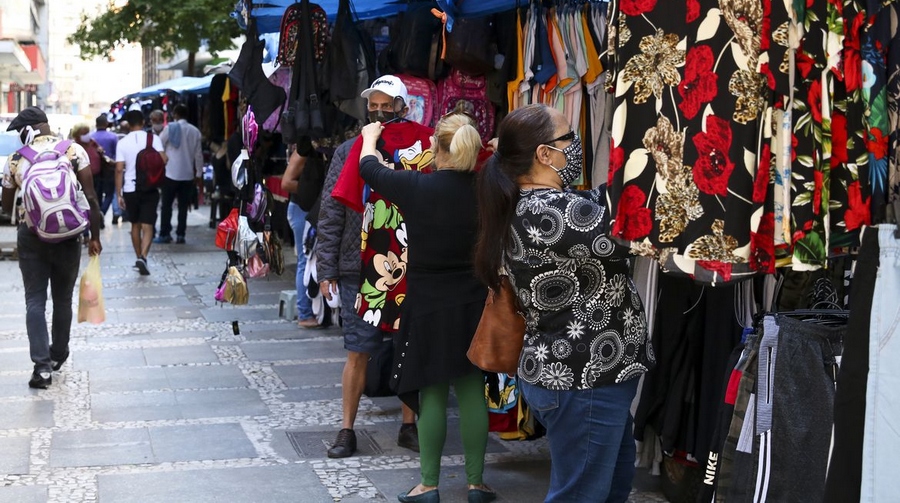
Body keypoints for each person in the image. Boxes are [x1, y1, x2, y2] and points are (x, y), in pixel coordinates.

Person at [474, 104, 655, 503]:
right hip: (582, 376)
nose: (576, 146)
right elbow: (633, 218)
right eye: (568, 138)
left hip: (582, 374)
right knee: (581, 494)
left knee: (607, 486)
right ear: (544, 154)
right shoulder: (551, 211)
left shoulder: (542, 204)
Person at [359, 113, 494, 503]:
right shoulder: (486, 187)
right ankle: (476, 484)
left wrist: (370, 136)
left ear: (436, 149)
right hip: (472, 302)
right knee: (471, 391)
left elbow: (369, 168)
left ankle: (429, 485)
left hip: (427, 304)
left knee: (431, 391)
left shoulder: (417, 186)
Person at [322, 75, 432, 459]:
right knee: (358, 349)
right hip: (356, 266)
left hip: (409, 262)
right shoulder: (349, 150)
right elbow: (332, 211)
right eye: (375, 105)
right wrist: (326, 269)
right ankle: (346, 429)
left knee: (408, 346)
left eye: (389, 105)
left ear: (403, 107)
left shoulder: (422, 149)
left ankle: (409, 424)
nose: (381, 112)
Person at [0, 107, 103, 389]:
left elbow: (6, 207)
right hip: (69, 235)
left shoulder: (15, 160)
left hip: (32, 235)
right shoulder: (73, 151)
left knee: (34, 301)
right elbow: (91, 197)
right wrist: (94, 237)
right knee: (63, 298)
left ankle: (42, 369)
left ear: (27, 130)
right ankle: (58, 353)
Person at [116, 109, 167, 275]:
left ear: (128, 124)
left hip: (130, 188)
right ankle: (143, 257)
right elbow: (164, 159)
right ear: (143, 122)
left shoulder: (122, 143)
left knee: (135, 225)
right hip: (150, 187)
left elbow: (118, 170)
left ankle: (139, 256)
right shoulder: (153, 139)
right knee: (148, 225)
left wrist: (119, 194)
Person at [281, 140, 325, 328]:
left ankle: (312, 311)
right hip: (300, 209)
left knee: (309, 259)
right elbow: (286, 183)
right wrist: (312, 191)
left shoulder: (315, 151)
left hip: (306, 209)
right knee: (304, 260)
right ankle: (304, 313)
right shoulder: (302, 152)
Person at [155, 104, 203, 244]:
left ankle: (165, 233)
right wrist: (199, 174)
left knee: (166, 205)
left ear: (175, 114)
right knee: (183, 207)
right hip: (188, 175)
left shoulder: (169, 128)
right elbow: (198, 155)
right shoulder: (195, 131)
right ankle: (181, 234)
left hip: (170, 173)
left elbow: (159, 145)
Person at [70, 122, 104, 231]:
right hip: (80, 180)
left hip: (96, 176)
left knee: (94, 200)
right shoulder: (73, 148)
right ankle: (85, 229)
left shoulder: (93, 143)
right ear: (77, 135)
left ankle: (95, 222)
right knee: (85, 203)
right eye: (84, 133)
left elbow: (100, 152)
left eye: (87, 132)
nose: (87, 135)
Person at [91, 114, 123, 225]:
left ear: (96, 124)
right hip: (110, 169)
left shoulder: (91, 137)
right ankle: (102, 212)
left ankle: (99, 216)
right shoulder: (113, 137)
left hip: (95, 171)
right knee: (109, 194)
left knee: (97, 194)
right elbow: (117, 154)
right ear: (106, 124)